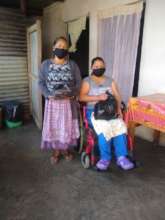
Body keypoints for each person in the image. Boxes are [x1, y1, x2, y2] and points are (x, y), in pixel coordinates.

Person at [79, 57, 134, 171]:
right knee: (105, 128)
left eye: (101, 66)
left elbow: (118, 96)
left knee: (119, 126)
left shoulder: (110, 81)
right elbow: (81, 97)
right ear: (92, 67)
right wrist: (98, 97)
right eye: (96, 66)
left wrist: (118, 109)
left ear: (105, 67)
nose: (99, 68)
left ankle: (121, 157)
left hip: (110, 111)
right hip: (94, 112)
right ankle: (105, 158)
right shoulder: (87, 81)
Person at [39, 36, 81, 164]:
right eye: (59, 46)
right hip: (52, 103)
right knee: (54, 127)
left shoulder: (72, 65)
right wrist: (48, 94)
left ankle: (65, 149)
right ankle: (56, 151)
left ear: (67, 50)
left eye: (64, 47)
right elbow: (41, 82)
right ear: (53, 48)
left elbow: (79, 82)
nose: (61, 49)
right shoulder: (46, 64)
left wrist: (73, 94)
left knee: (66, 127)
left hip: (68, 103)